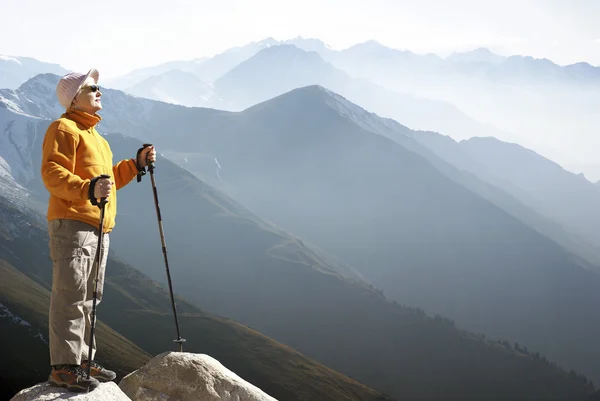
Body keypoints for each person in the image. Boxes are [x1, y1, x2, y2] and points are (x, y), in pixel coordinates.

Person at [40, 68, 155, 392]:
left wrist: (135, 164)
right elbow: (51, 172)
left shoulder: (97, 139)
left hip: (97, 226)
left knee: (90, 296)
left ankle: (83, 360)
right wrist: (86, 189)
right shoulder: (63, 128)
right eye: (93, 88)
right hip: (73, 224)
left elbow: (105, 185)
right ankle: (63, 368)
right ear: (75, 97)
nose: (99, 91)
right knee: (70, 296)